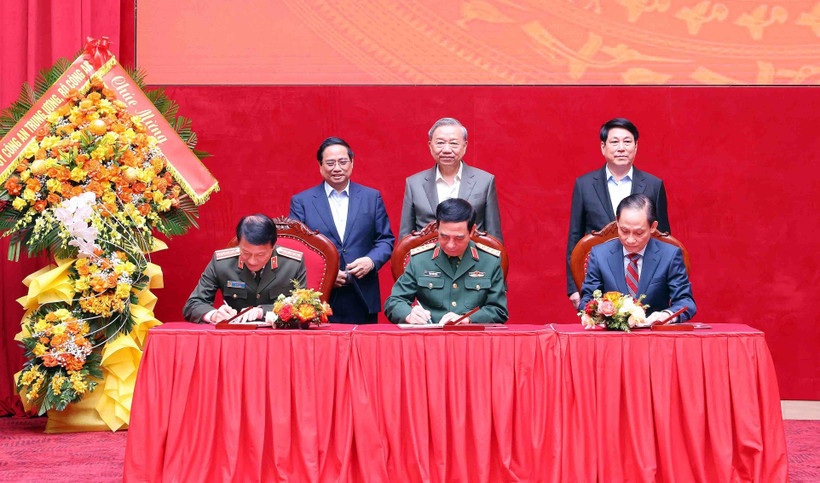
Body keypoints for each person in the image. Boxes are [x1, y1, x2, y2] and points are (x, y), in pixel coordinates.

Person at [567, 118, 671, 309]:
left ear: (636, 146)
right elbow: (575, 237)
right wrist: (574, 287)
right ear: (603, 147)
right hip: (599, 280)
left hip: (643, 278)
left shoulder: (654, 185)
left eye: (627, 141)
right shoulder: (584, 184)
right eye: (614, 142)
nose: (621, 148)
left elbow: (664, 238)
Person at [289, 137, 395, 323]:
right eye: (330, 163)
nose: (337, 168)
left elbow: (385, 240)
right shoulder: (302, 202)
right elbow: (296, 248)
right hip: (319, 297)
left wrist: (371, 261)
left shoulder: (371, 197)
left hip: (362, 292)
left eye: (342, 162)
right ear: (320, 166)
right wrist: (325, 271)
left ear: (352, 163)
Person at [385, 198, 508, 325]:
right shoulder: (419, 259)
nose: (450, 245)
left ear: (471, 231)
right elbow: (394, 301)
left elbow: (499, 310)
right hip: (430, 338)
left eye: (459, 238)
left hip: (472, 338)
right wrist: (409, 315)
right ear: (437, 228)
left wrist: (468, 319)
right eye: (444, 236)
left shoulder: (490, 261)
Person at [579, 194, 695, 323]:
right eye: (624, 230)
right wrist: (593, 313)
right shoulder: (600, 254)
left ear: (653, 227)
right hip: (612, 336)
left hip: (653, 334)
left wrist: (666, 315)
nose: (630, 239)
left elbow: (686, 302)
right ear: (617, 221)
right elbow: (588, 299)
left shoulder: (670, 255)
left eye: (639, 233)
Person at [183, 214, 307, 323]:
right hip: (234, 339)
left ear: (273, 246)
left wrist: (262, 311)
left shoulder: (293, 263)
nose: (252, 261)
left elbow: (304, 307)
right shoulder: (221, 262)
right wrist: (214, 315)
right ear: (238, 243)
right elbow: (193, 305)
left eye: (260, 254)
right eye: (246, 252)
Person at [399, 117, 503, 242]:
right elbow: (405, 238)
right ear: (430, 145)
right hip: (426, 259)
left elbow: (494, 238)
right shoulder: (414, 183)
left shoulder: (485, 181)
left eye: (454, 143)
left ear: (464, 146)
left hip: (473, 259)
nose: (447, 150)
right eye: (440, 143)